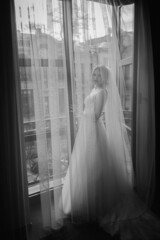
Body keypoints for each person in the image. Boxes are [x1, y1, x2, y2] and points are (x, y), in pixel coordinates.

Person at [60, 65, 160, 239]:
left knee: (95, 165)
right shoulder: (94, 89)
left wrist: (78, 113)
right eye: (94, 74)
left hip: (93, 131)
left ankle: (95, 203)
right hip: (86, 131)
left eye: (99, 74)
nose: (96, 76)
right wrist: (81, 114)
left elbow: (96, 115)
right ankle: (81, 202)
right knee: (84, 166)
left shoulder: (103, 92)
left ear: (105, 77)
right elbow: (89, 111)